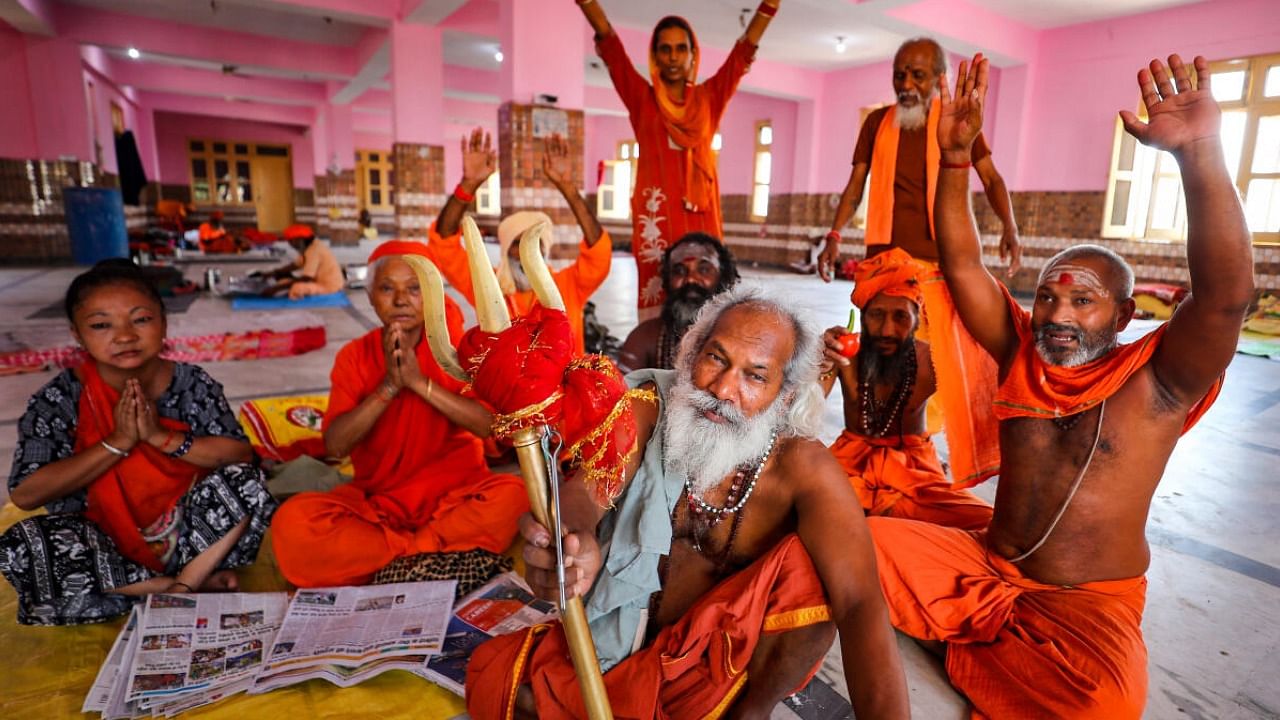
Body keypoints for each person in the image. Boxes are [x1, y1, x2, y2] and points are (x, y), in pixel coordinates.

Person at [868, 53, 1248, 718]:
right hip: (984, 566)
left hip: (1086, 600)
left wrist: (1199, 155)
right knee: (843, 543)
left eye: (1084, 302)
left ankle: (966, 640)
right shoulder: (1021, 349)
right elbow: (961, 263)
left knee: (1102, 705)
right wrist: (954, 161)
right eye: (1047, 298)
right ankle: (978, 633)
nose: (1059, 316)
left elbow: (1223, 299)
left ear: (1125, 316)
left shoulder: (1160, 381)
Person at [466, 286, 910, 719]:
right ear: (691, 354)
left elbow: (859, 604)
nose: (722, 389)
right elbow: (589, 488)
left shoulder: (802, 467)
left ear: (784, 396)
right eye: (716, 358)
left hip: (723, 680)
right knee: (495, 679)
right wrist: (575, 539)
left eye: (755, 376)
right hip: (624, 648)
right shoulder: (647, 407)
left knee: (811, 572)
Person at [0, 260, 276, 626]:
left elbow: (240, 455)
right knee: (21, 546)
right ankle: (167, 586)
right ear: (78, 334)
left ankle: (183, 589)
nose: (125, 336)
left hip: (196, 537)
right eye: (101, 325)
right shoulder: (60, 398)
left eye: (141, 319)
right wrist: (117, 443)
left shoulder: (192, 383)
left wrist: (160, 437)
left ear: (163, 322)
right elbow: (27, 494)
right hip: (104, 544)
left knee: (247, 481)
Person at [269, 242, 527, 588]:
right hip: (379, 509)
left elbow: (489, 425)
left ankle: (390, 562)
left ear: (432, 294)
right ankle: (424, 556)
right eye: (388, 288)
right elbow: (335, 446)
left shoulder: (459, 350)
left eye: (415, 288)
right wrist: (389, 387)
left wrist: (419, 384)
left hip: (455, 499)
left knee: (515, 497)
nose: (401, 300)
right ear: (371, 297)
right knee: (293, 525)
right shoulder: (354, 357)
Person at [576, 1, 780, 320]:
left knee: (707, 286)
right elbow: (612, 48)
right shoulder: (642, 99)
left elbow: (741, 55)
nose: (673, 56)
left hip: (701, 212)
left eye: (680, 48)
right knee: (660, 291)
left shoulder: (711, 97)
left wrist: (768, 7)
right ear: (655, 56)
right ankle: (657, 356)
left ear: (692, 55)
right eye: (665, 49)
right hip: (655, 215)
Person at [818, 249, 992, 531]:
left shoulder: (933, 360)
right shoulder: (843, 352)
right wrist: (818, 363)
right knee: (798, 513)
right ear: (862, 316)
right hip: (849, 464)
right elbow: (800, 412)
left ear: (917, 318)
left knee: (989, 525)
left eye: (901, 316)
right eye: (876, 315)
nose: (887, 329)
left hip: (915, 472)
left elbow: (987, 397)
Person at [818, 37, 1019, 281]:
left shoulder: (957, 123)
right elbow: (855, 185)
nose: (906, 84)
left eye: (918, 75)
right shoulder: (876, 122)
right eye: (899, 75)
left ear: (939, 78)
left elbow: (991, 178)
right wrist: (834, 235)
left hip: (940, 256)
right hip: (882, 255)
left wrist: (1010, 226)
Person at [430, 130, 610, 355]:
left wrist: (569, 189)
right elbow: (444, 243)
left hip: (565, 388)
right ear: (505, 250)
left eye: (534, 244)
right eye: (517, 243)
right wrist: (468, 185)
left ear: (546, 249)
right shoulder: (488, 286)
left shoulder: (568, 285)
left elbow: (598, 253)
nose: (526, 254)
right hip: (505, 389)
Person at [616, 231, 738, 372]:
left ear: (723, 277)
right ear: (667, 280)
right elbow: (620, 388)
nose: (691, 279)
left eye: (703, 270)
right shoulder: (645, 336)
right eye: (679, 271)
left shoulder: (739, 337)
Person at [257, 224, 345, 300]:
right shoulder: (310, 247)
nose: (291, 245)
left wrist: (275, 289)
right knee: (282, 281)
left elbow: (306, 278)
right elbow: (295, 265)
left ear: (300, 239)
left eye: (291, 241)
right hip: (317, 282)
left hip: (329, 286)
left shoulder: (314, 251)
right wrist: (274, 273)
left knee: (296, 288)